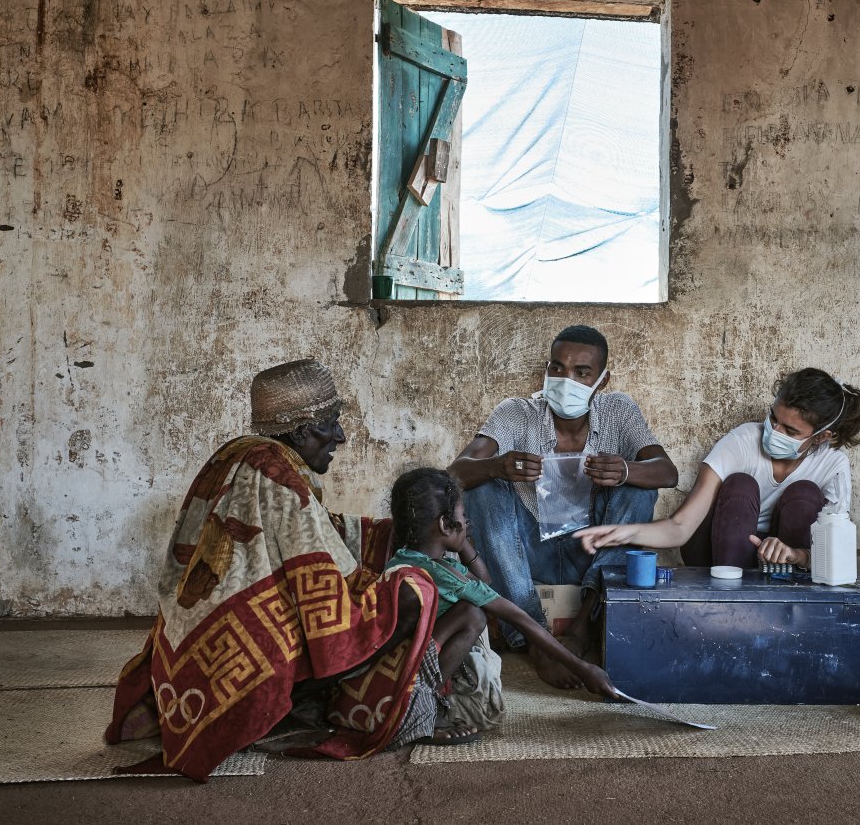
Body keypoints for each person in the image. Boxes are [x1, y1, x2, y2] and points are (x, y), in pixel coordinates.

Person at [106, 359, 485, 781]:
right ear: (302, 431)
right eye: (331, 423)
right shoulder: (276, 473)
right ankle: (312, 709)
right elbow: (322, 575)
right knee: (413, 592)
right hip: (244, 659)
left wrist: (394, 534)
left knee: (393, 565)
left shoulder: (240, 454)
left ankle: (304, 702)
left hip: (199, 649)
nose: (339, 436)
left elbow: (316, 536)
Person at [449, 325, 678, 688]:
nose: (565, 379)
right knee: (482, 489)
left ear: (602, 381)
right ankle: (536, 642)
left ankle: (583, 628)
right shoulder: (517, 412)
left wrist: (625, 470)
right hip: (528, 550)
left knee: (638, 490)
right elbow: (456, 473)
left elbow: (667, 472)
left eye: (581, 372)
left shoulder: (618, 410)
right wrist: (497, 466)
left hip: (588, 549)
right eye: (557, 368)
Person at [578, 368, 860, 572]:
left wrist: (796, 555)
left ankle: (788, 599)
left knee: (805, 494)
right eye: (773, 418)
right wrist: (624, 532)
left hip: (780, 563)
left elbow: (837, 557)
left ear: (821, 437)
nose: (774, 430)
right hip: (717, 547)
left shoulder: (832, 465)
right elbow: (680, 527)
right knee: (740, 484)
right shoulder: (742, 441)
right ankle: (730, 601)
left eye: (789, 430)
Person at [385, 468, 619, 717]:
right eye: (463, 517)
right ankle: (424, 707)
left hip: (401, 663)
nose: (467, 523)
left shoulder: (409, 560)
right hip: (417, 672)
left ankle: (422, 701)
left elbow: (484, 582)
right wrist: (583, 668)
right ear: (444, 524)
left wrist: (461, 541)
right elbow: (518, 617)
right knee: (474, 615)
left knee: (472, 610)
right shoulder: (443, 573)